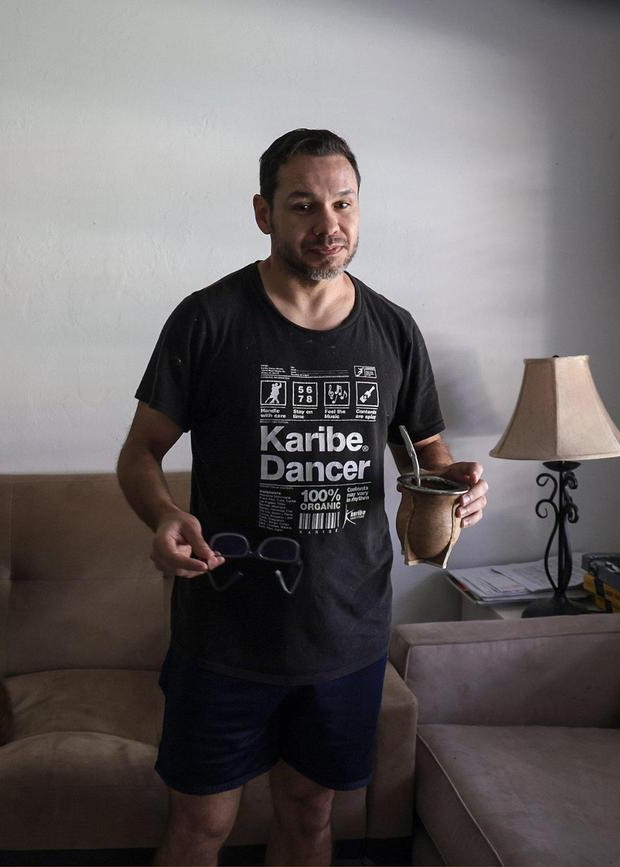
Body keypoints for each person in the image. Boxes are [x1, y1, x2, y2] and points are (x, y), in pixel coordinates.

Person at [116, 129, 489, 866]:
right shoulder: (208, 319)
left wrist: (458, 487)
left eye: (343, 203)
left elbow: (429, 453)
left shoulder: (393, 329)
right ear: (264, 213)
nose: (328, 224)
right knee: (201, 825)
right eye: (303, 205)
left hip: (346, 632)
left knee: (311, 816)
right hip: (225, 633)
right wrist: (164, 515)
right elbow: (140, 454)